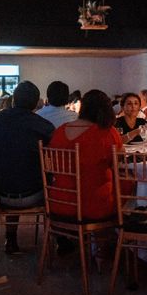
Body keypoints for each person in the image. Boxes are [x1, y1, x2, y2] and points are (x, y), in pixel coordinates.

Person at [49, 89, 125, 263]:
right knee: (127, 189)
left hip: (59, 202)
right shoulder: (107, 133)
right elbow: (120, 163)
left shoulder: (60, 131)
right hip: (92, 206)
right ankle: (103, 247)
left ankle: (89, 243)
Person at [0, 81, 55, 254]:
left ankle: (10, 239)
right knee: (45, 178)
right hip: (34, 194)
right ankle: (59, 238)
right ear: (36, 104)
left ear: (14, 100)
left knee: (12, 171)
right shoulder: (44, 126)